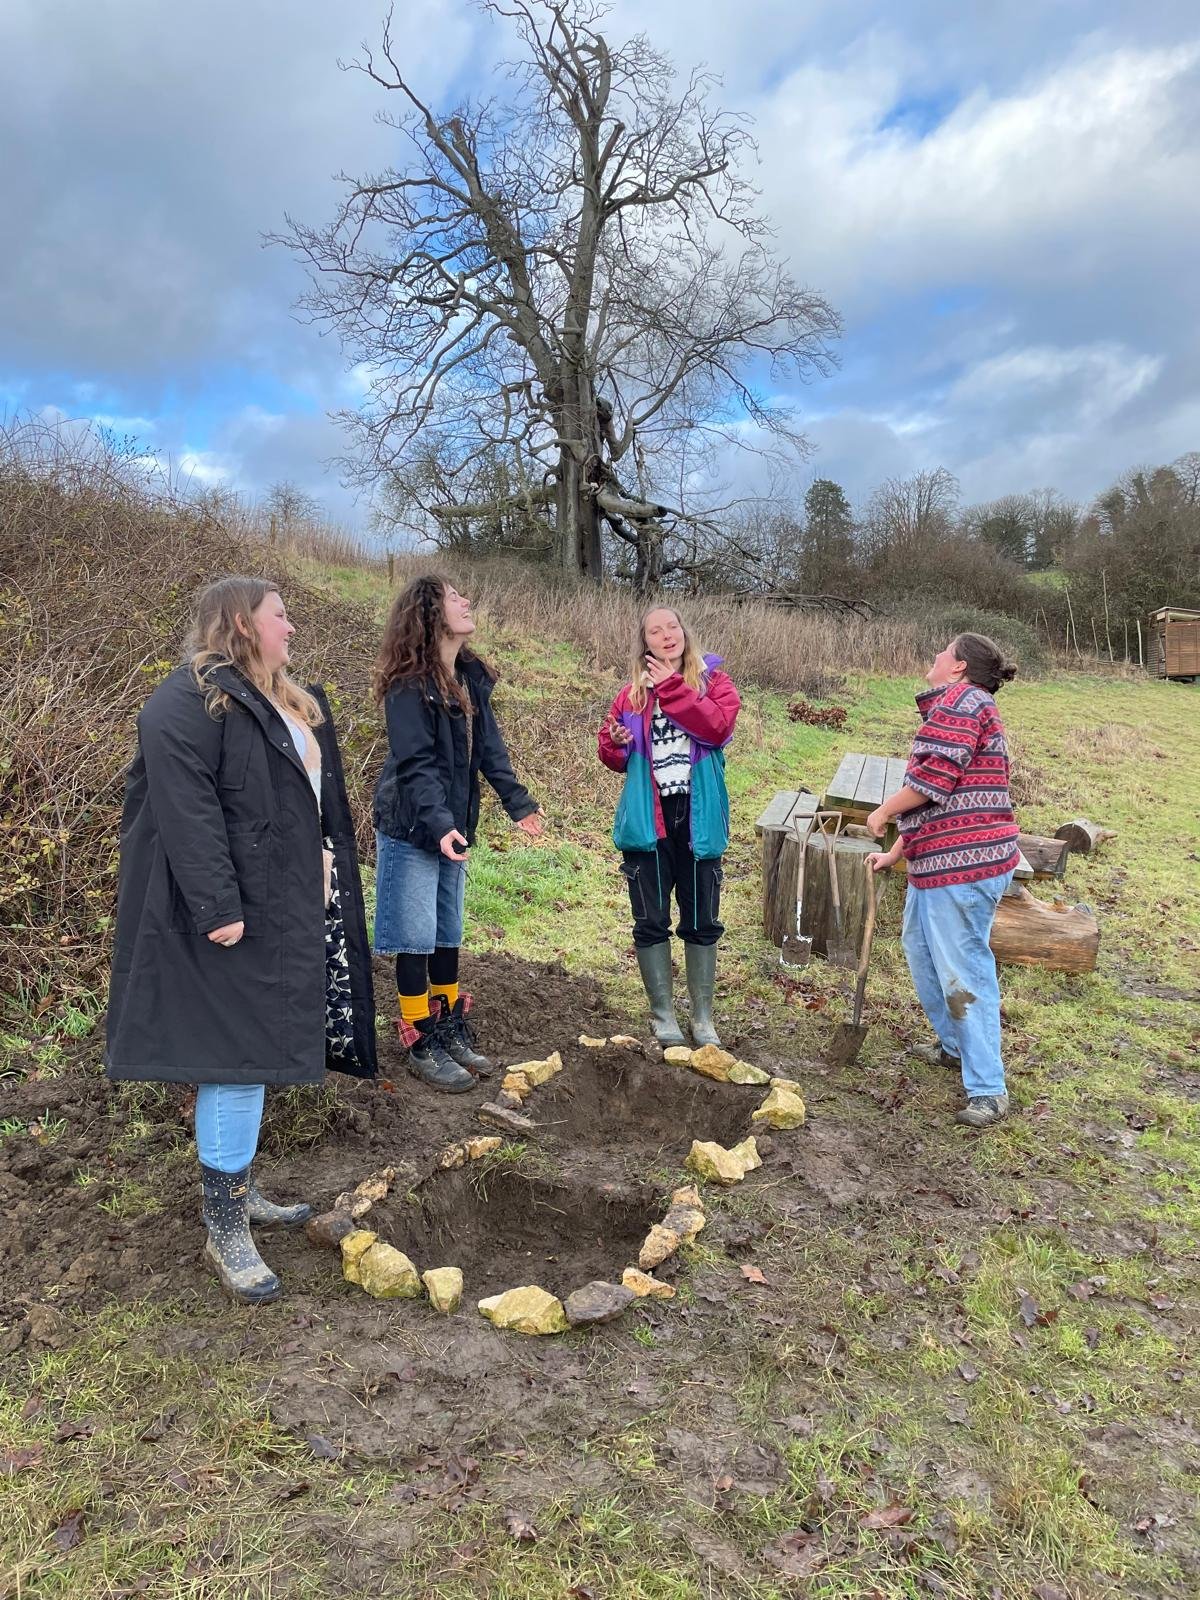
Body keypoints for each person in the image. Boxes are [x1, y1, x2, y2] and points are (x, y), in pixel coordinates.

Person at [106, 577, 377, 1304]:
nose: (291, 626)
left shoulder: (280, 699)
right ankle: (224, 1225)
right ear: (240, 622)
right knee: (232, 1061)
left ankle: (239, 1190)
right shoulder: (186, 700)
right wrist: (219, 906)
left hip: (281, 905)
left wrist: (325, 870)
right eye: (279, 615)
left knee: (250, 1055)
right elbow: (186, 808)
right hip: (229, 916)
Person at [372, 575, 544, 1092]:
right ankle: (418, 1034)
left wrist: (518, 804)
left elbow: (489, 750)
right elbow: (416, 764)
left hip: (451, 828)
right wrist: (441, 824)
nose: (466, 600)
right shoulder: (407, 685)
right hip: (413, 827)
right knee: (415, 935)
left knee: (446, 930)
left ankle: (447, 1023)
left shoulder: (469, 678)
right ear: (429, 614)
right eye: (453, 597)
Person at [865, 633, 1020, 1128]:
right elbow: (946, 799)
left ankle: (988, 1089)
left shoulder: (962, 701)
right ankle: (955, 1046)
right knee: (921, 949)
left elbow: (933, 781)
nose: (935, 656)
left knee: (962, 969)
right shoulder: (960, 703)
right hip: (939, 862)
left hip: (964, 866)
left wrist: (883, 811)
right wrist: (896, 852)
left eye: (943, 652)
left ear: (958, 667)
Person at [598, 606, 741, 1049]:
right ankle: (663, 1017)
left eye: (672, 626)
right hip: (649, 819)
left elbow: (716, 729)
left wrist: (672, 687)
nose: (666, 635)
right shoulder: (631, 696)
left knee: (701, 919)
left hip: (698, 817)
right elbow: (612, 755)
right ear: (645, 643)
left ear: (684, 632)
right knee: (651, 920)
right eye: (655, 631)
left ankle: (703, 1018)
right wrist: (615, 743)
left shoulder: (715, 684)